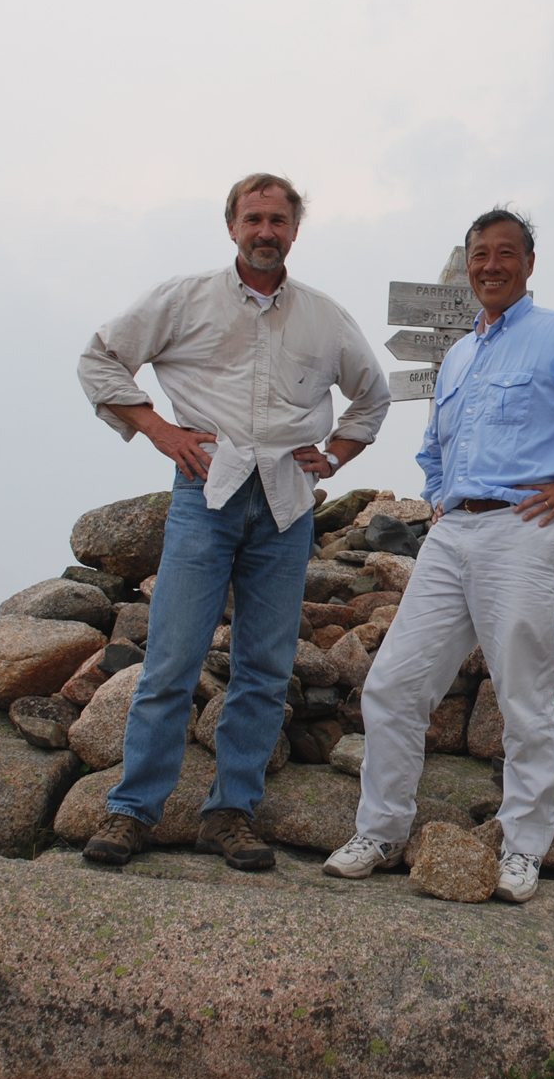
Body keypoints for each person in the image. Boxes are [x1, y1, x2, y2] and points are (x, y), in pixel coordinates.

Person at [323, 207, 554, 902]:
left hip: (523, 529)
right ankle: (381, 832)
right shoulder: (460, 355)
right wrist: (437, 496)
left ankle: (522, 848)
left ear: (529, 264)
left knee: (524, 696)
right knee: (393, 685)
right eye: (480, 254)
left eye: (506, 253)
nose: (491, 265)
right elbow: (435, 444)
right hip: (453, 533)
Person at [76, 173, 391, 869]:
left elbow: (372, 397)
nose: (265, 231)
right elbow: (99, 360)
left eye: (278, 220)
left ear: (295, 231)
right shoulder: (184, 298)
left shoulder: (325, 316)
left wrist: (334, 456)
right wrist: (160, 430)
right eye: (254, 219)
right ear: (232, 227)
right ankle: (132, 812)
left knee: (265, 669)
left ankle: (230, 814)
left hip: (286, 503)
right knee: (171, 660)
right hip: (206, 492)